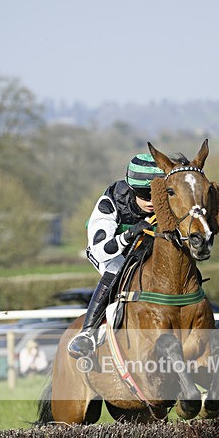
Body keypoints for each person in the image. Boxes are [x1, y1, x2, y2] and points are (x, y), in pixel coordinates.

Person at [67, 153, 165, 359]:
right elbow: (100, 250)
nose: (151, 202)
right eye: (144, 195)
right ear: (132, 189)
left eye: (156, 195)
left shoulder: (167, 202)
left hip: (147, 250)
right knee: (116, 268)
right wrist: (129, 235)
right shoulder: (111, 201)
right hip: (109, 252)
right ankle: (88, 333)